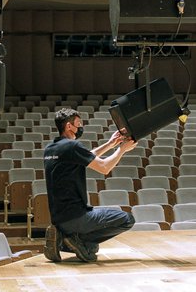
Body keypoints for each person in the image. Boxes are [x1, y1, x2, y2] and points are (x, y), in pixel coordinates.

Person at [43, 107, 137, 263]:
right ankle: (74, 240)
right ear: (68, 126)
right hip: (76, 217)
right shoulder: (72, 147)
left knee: (93, 249)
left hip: (59, 218)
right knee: (127, 219)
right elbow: (105, 167)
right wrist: (122, 149)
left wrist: (110, 144)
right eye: (78, 123)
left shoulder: (51, 149)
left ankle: (64, 237)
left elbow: (87, 156)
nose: (80, 127)